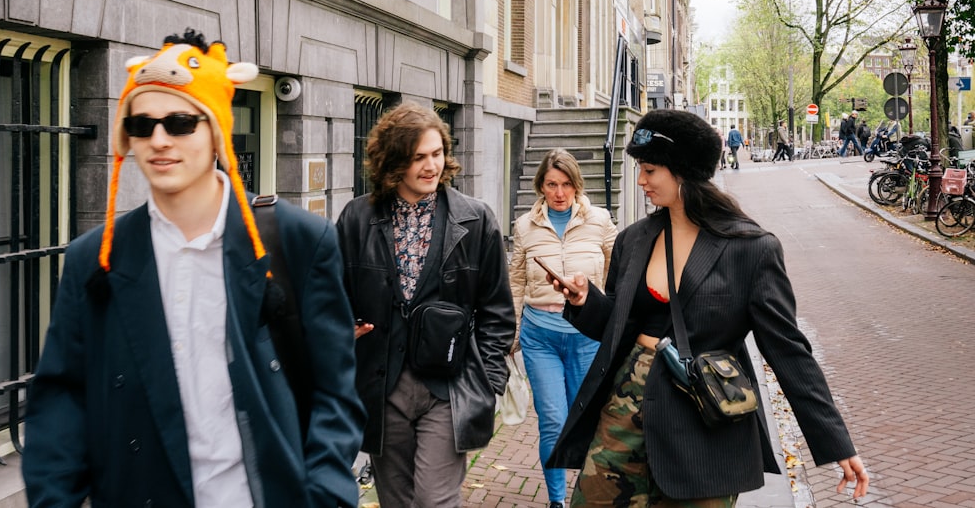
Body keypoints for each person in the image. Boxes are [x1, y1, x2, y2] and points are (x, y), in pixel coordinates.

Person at [22, 29, 365, 507]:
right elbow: (61, 398)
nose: (159, 139)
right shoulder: (94, 258)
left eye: (180, 122)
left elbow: (335, 393)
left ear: (216, 130)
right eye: (142, 126)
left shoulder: (299, 242)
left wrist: (324, 494)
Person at [546, 109, 869, 506]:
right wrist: (584, 301)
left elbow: (788, 350)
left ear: (681, 172)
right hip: (624, 416)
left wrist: (836, 442)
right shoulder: (635, 239)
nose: (641, 180)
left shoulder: (750, 248)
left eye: (649, 170)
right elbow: (619, 325)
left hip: (703, 426)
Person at [336, 101, 515, 508]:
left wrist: (487, 384)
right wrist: (343, 332)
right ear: (393, 161)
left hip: (449, 390)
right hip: (382, 388)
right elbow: (332, 296)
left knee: (435, 501)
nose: (431, 166)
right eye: (418, 157)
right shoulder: (356, 219)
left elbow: (498, 313)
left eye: (436, 154)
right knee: (396, 501)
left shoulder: (475, 220)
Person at [508, 149, 618, 508]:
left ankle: (587, 497)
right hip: (541, 338)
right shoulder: (525, 225)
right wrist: (510, 331)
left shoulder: (600, 220)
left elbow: (618, 274)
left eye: (566, 184)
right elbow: (517, 280)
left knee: (587, 421)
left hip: (587, 338)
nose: (559, 192)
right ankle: (557, 501)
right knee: (553, 422)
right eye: (552, 184)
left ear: (576, 185)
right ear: (541, 186)